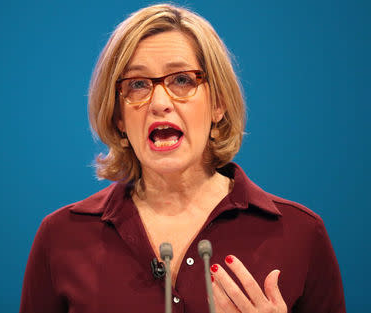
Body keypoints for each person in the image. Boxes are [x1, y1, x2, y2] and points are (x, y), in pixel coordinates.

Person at [19, 4, 346, 313]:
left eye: (181, 80)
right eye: (137, 84)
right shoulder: (62, 237)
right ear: (119, 116)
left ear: (218, 104)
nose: (159, 102)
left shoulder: (300, 234)